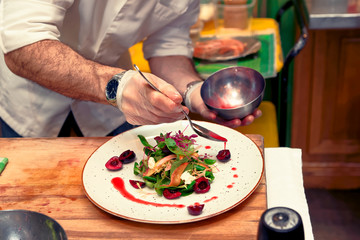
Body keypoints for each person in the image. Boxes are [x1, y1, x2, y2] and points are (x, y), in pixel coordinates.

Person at [0, 0, 261, 138]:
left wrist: (194, 91)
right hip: (27, 99)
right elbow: (23, 43)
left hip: (109, 101)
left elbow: (167, 47)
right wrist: (118, 85)